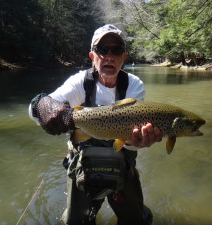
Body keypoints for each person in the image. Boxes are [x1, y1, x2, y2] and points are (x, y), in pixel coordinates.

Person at [29, 24, 163, 225]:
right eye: (102, 50)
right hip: (82, 161)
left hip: (122, 160)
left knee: (136, 221)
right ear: (92, 56)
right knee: (75, 222)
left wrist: (138, 143)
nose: (109, 56)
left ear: (124, 57)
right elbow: (33, 112)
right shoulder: (79, 83)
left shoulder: (133, 85)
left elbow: (130, 141)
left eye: (116, 50)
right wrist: (43, 106)